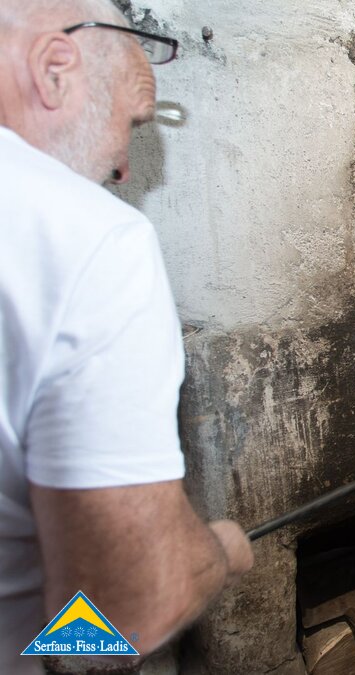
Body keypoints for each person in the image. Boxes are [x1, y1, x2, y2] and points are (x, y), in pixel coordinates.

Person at [0, 1, 254, 672]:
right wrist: (217, 551)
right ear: (55, 71)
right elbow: (119, 617)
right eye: (128, 126)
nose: (123, 169)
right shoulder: (90, 240)